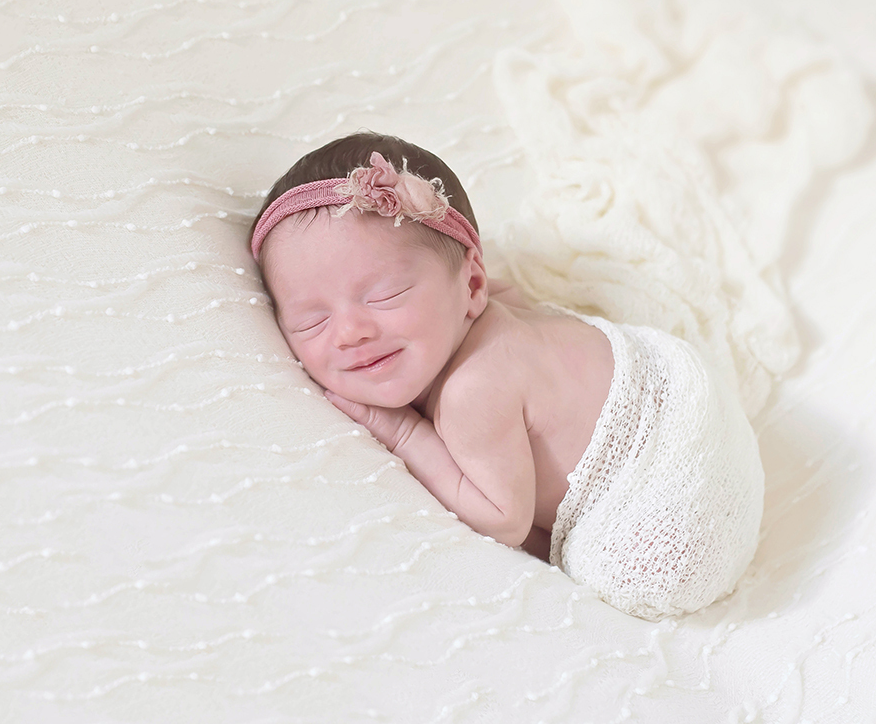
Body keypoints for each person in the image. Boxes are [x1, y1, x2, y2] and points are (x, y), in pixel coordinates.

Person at [249, 132, 764, 620]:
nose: (350, 332)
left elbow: (503, 519)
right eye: (310, 321)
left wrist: (404, 431)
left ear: (472, 282)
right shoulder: (494, 306)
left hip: (676, 521)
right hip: (695, 396)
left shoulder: (472, 392)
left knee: (551, 549)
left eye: (384, 296)